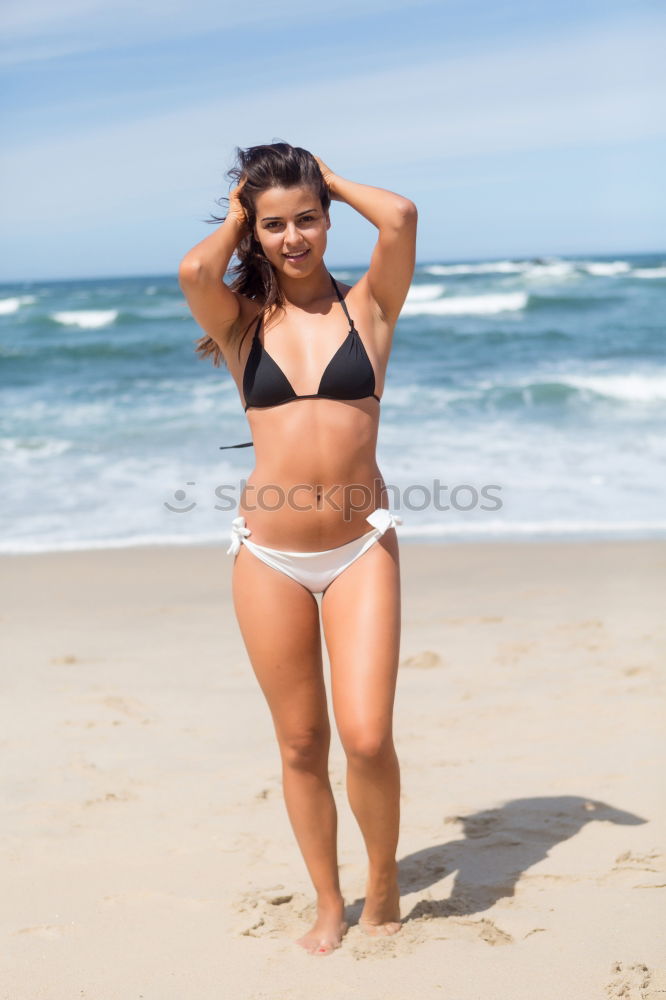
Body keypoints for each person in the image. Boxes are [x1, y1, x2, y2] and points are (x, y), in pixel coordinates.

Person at [178, 141, 417, 956]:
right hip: (269, 556)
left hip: (360, 548)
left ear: (326, 220)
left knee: (366, 737)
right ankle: (329, 899)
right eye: (274, 225)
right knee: (301, 743)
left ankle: (382, 879)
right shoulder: (244, 326)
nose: (294, 237)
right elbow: (191, 274)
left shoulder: (371, 308)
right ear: (254, 232)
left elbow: (402, 217)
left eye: (307, 219)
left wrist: (330, 180)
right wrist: (246, 208)